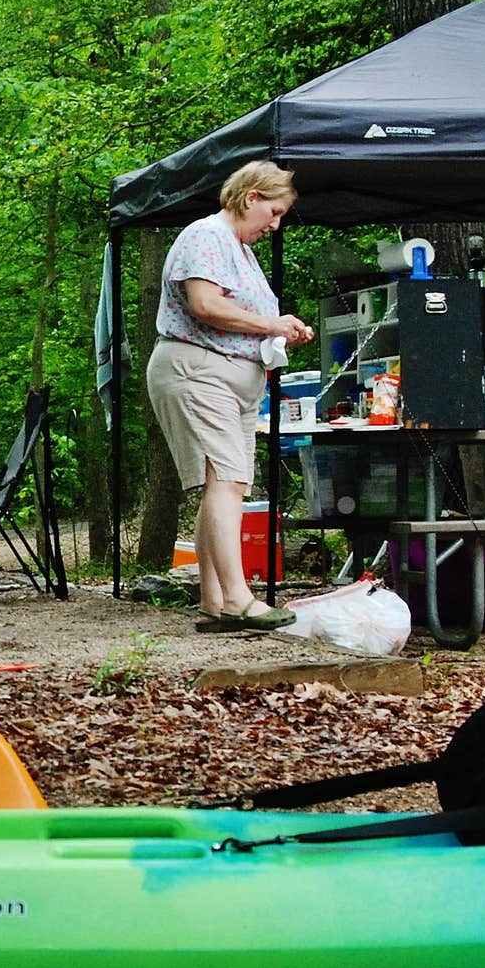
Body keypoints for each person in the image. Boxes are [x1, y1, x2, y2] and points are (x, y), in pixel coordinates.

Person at [148, 160, 315, 632]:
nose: (275, 224)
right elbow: (206, 305)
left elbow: (246, 313)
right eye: (275, 212)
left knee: (227, 482)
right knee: (227, 482)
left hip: (235, 380)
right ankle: (240, 599)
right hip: (198, 372)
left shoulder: (239, 249)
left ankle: (216, 600)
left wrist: (283, 329)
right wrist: (271, 324)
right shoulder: (206, 236)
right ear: (251, 198)